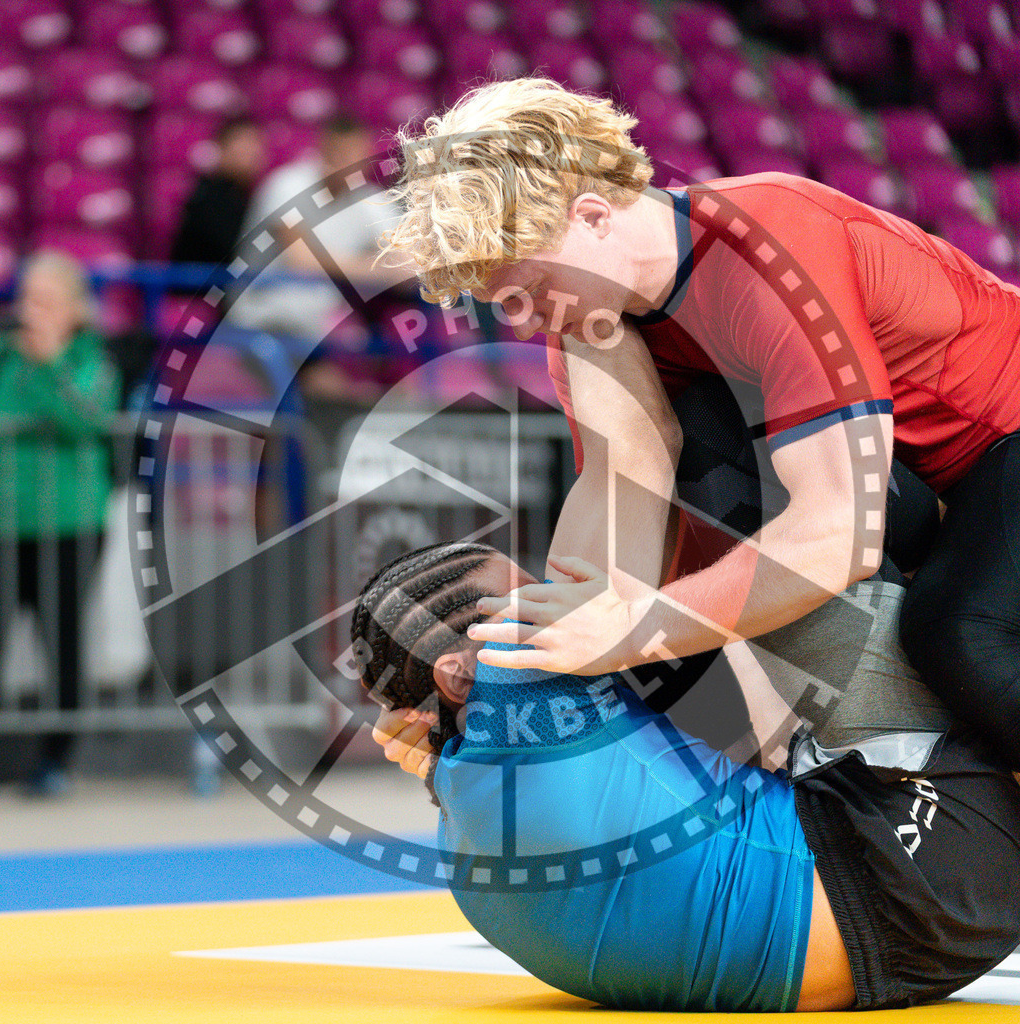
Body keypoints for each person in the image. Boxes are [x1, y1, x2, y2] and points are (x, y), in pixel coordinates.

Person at [358, 323, 1020, 1012]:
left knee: (665, 629)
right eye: (520, 594)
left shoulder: (461, 823)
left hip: (911, 938)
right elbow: (640, 451)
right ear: (464, 673)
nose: (545, 596)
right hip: (937, 866)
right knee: (720, 427)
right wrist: (578, 301)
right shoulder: (521, 683)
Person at [376, 76, 1020, 769]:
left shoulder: (767, 243)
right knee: (675, 634)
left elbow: (839, 533)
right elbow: (618, 507)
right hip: (922, 479)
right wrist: (505, 694)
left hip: (998, 440)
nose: (524, 323)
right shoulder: (593, 319)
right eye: (502, 304)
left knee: (960, 631)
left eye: (527, 292)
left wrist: (630, 629)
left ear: (593, 217)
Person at [0, 251, 121, 796]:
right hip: (3, 526)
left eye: (45, 302)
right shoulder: (2, 357)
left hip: (69, 525)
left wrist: (49, 364)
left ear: (75, 311)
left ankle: (55, 759)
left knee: (62, 642)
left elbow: (85, 420)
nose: (31, 312)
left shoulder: (93, 362)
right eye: (27, 299)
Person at [229, 113, 408, 402]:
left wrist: (382, 267)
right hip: (261, 319)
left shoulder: (370, 200)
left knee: (400, 375)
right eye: (340, 153)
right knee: (327, 392)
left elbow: (408, 266)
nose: (348, 163)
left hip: (317, 328)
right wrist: (377, 267)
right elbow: (302, 262)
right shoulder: (286, 185)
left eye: (356, 155)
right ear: (323, 150)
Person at [169, 114, 266, 268]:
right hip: (199, 288)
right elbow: (232, 250)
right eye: (241, 142)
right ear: (221, 148)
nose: (250, 151)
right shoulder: (206, 196)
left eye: (255, 142)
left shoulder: (245, 196)